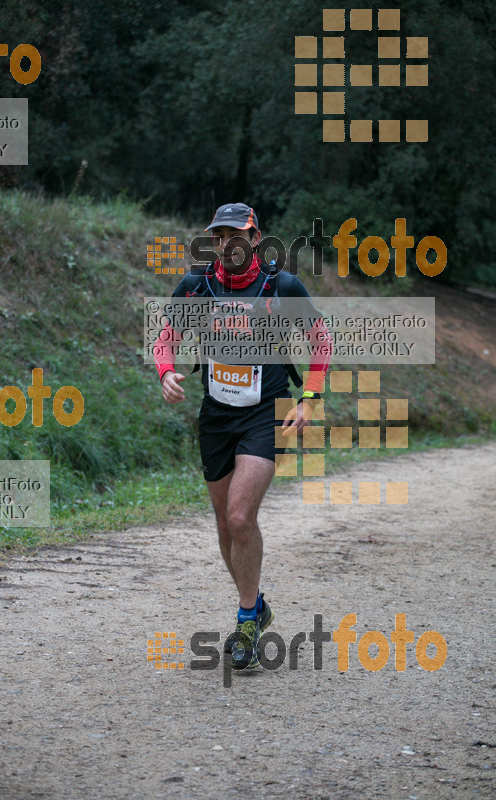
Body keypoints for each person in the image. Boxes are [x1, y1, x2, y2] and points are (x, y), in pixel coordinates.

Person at [154, 202, 332, 670]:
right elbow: (166, 334)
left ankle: (246, 620)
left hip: (264, 415)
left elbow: (321, 339)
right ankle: (256, 603)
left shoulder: (281, 287)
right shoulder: (198, 286)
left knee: (238, 516)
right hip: (216, 416)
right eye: (219, 236)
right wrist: (166, 371)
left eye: (237, 235)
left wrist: (309, 397)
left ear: (255, 239)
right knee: (222, 522)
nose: (227, 243)